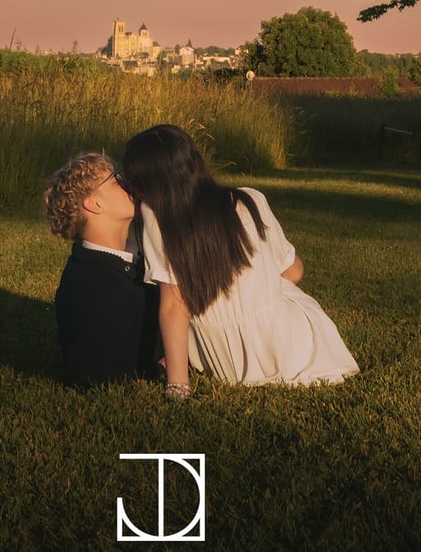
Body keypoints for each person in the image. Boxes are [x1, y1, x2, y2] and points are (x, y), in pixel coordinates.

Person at [122, 125, 359, 399]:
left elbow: (174, 306)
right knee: (286, 284)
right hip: (289, 345)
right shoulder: (249, 200)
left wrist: (178, 383)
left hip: (226, 359)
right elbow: (293, 271)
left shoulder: (156, 217)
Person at [44, 152, 161, 388]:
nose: (128, 183)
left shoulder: (126, 260)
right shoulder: (95, 288)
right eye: (116, 180)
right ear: (94, 204)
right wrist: (161, 366)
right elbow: (99, 375)